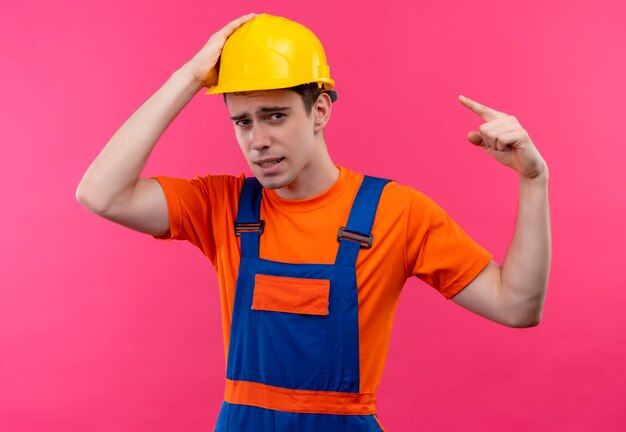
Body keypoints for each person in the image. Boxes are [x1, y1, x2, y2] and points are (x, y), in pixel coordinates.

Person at [76, 13, 550, 432]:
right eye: (242, 121)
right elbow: (101, 194)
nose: (257, 140)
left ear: (319, 109)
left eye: (275, 115)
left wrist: (534, 180)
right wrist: (188, 77)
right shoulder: (220, 205)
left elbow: (516, 307)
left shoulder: (396, 213)